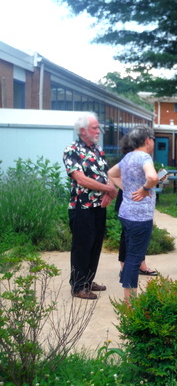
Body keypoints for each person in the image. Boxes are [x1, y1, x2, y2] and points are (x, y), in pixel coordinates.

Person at [63, 112, 116, 299]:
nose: (98, 131)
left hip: (99, 205)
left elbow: (107, 171)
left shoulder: (97, 149)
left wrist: (109, 192)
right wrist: (108, 189)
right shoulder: (72, 150)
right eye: (94, 128)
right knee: (82, 246)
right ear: (83, 130)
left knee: (95, 244)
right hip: (82, 206)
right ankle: (78, 286)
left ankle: (88, 280)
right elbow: (81, 179)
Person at [108, 127, 159, 303]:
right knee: (134, 259)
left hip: (126, 213)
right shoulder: (144, 157)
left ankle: (128, 295)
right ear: (147, 140)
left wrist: (128, 189)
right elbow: (152, 177)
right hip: (140, 217)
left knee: (130, 255)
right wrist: (145, 189)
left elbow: (111, 173)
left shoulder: (128, 157)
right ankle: (130, 301)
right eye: (152, 138)